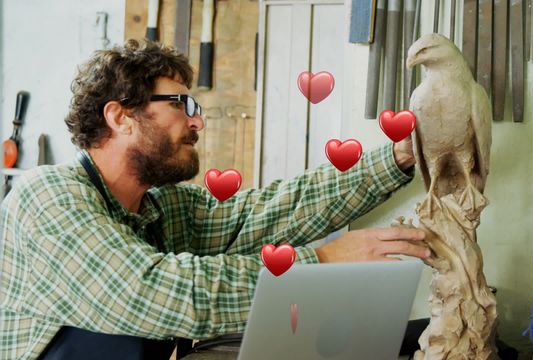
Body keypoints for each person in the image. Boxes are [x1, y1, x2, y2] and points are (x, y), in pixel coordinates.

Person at [0, 39, 430, 360]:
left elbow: (272, 211)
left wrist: (396, 157)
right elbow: (155, 293)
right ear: (121, 117)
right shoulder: (48, 198)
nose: (198, 120)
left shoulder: (163, 207)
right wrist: (325, 263)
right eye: (182, 103)